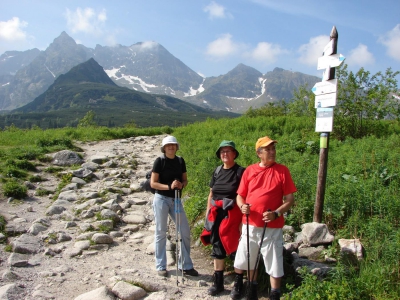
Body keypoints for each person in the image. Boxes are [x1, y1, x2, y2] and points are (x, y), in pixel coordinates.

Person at [231, 136, 297, 300]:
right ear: (259, 153)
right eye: (268, 149)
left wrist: (276, 213)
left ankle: (275, 294)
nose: (272, 152)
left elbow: (290, 200)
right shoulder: (250, 171)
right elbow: (240, 196)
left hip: (272, 226)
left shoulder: (282, 171)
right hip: (250, 223)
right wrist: (242, 206)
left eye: (273, 148)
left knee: (274, 261)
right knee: (249, 257)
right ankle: (251, 290)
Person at [200, 140, 245, 296]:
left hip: (233, 215)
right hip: (217, 214)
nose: (225, 154)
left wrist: (242, 220)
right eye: (222, 151)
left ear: (234, 154)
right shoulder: (217, 171)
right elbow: (211, 194)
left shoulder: (241, 172)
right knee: (217, 246)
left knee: (236, 248)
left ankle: (239, 285)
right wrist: (207, 214)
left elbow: (245, 195)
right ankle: (218, 283)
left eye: (228, 151)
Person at [150, 135, 198, 277]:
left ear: (176, 147)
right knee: (160, 231)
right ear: (164, 148)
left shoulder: (180, 161)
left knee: (184, 231)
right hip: (161, 199)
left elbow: (185, 180)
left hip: (176, 200)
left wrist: (181, 185)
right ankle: (160, 265)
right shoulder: (159, 161)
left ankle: (185, 265)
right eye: (168, 145)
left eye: (173, 145)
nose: (171, 147)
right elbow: (153, 183)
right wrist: (169, 187)